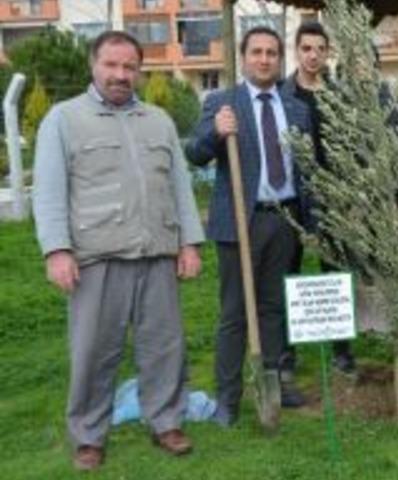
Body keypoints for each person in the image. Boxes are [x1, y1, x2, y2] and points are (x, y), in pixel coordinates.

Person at [32, 31, 205, 470]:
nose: (120, 75)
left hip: (157, 255)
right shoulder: (63, 119)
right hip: (96, 259)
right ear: (94, 65)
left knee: (165, 346)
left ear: (140, 71)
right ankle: (89, 436)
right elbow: (49, 191)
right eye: (111, 65)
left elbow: (180, 187)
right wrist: (57, 250)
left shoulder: (159, 121)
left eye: (129, 67)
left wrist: (189, 242)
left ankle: (166, 421)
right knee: (93, 351)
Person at [185, 26, 311, 424]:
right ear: (243, 58)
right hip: (242, 219)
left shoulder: (296, 108)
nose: (264, 59)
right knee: (236, 312)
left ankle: (270, 389)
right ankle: (228, 399)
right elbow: (195, 154)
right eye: (256, 52)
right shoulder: (224, 102)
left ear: (280, 58)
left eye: (271, 52)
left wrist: (313, 220)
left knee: (274, 308)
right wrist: (216, 133)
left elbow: (307, 170)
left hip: (285, 219)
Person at [285, 20, 357, 374]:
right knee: (288, 272)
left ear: (328, 52)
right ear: (296, 51)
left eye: (320, 48)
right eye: (306, 48)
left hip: (333, 197)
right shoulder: (283, 95)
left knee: (335, 271)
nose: (313, 55)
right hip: (292, 198)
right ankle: (285, 353)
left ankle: (341, 352)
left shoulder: (339, 95)